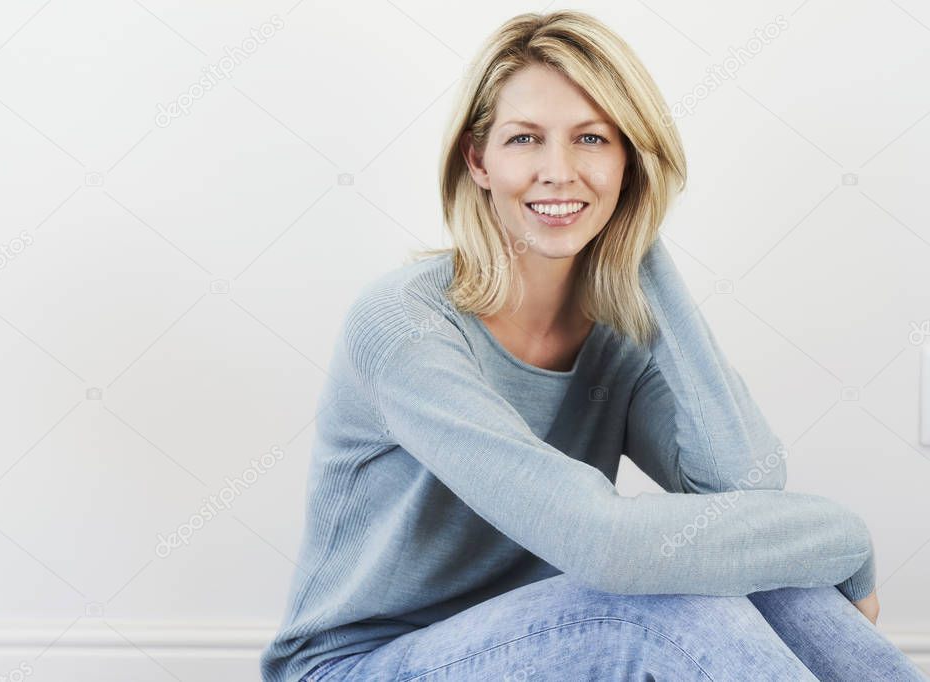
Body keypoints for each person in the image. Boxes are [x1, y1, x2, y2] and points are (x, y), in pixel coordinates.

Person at [261, 10, 927, 681]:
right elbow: (605, 548)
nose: (559, 170)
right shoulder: (404, 324)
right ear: (477, 159)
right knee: (663, 607)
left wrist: (639, 241)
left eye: (591, 140)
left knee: (779, 574)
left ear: (629, 161)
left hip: (548, 640)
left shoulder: (615, 332)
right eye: (524, 138)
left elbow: (741, 484)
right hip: (360, 667)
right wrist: (847, 538)